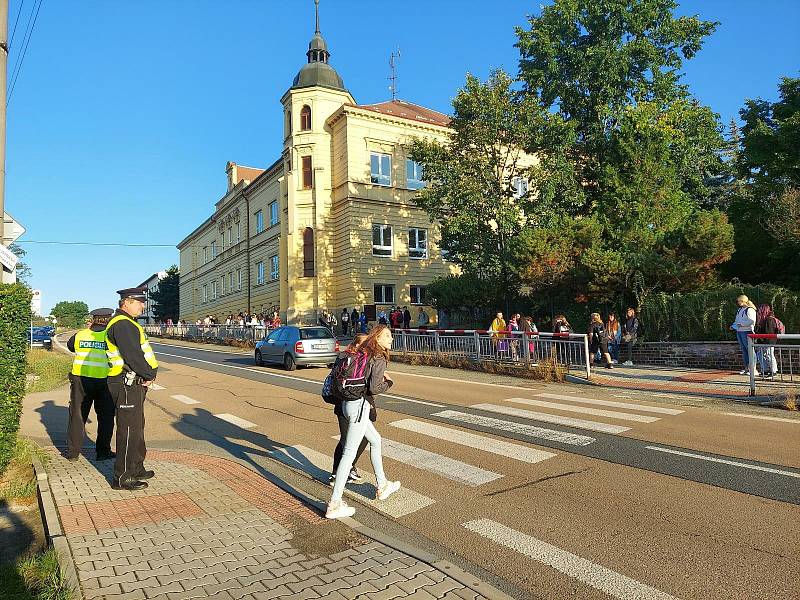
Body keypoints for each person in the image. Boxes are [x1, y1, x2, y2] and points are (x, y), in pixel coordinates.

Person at [326, 325, 401, 519]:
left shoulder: (363, 352)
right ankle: (335, 503)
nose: (391, 339)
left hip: (348, 403)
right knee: (349, 454)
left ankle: (382, 484)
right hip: (359, 406)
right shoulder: (378, 356)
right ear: (377, 337)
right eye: (387, 336)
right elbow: (374, 387)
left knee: (375, 440)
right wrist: (389, 383)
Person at [106, 287, 159, 491]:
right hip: (126, 383)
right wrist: (148, 374)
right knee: (128, 430)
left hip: (132, 382)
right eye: (139, 302)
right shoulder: (122, 324)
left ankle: (136, 467)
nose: (143, 305)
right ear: (126, 302)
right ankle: (123, 477)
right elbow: (133, 356)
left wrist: (147, 374)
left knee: (137, 427)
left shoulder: (128, 323)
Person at [65, 308, 116, 462]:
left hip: (81, 380)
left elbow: (70, 346)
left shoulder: (80, 334)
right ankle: (103, 452)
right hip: (105, 381)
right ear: (109, 319)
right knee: (106, 418)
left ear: (93, 319)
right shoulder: (111, 336)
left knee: (78, 416)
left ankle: (73, 453)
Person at [329, 335, 369, 486]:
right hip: (346, 403)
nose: (367, 346)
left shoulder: (356, 357)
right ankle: (336, 473)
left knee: (363, 438)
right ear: (357, 344)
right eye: (365, 343)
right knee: (346, 440)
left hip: (353, 403)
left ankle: (348, 467)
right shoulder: (348, 357)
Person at [731, 295, 758, 375]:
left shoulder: (750, 310)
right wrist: (733, 326)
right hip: (739, 331)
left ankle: (753, 369)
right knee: (744, 350)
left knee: (750, 350)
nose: (738, 303)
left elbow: (752, 321)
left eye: (739, 301)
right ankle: (746, 368)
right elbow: (737, 320)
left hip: (747, 331)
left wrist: (741, 324)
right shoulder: (739, 310)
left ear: (743, 301)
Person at [754, 303, 779, 378]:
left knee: (769, 355)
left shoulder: (769, 319)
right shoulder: (763, 319)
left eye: (759, 310)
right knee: (760, 354)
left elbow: (769, 333)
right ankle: (765, 370)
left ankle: (774, 371)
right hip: (763, 341)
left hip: (769, 341)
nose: (758, 312)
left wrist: (761, 338)